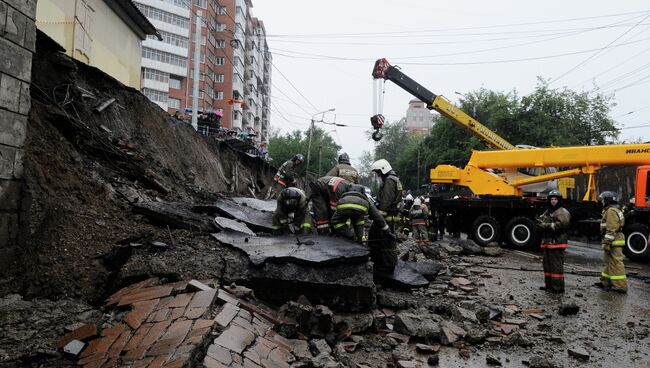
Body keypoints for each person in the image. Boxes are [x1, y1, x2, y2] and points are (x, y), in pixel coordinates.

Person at [536, 190, 571, 293]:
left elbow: (562, 225)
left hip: (557, 242)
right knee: (547, 265)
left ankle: (557, 288)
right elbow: (542, 221)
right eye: (551, 199)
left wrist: (545, 226)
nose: (553, 201)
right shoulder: (548, 211)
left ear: (559, 200)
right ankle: (549, 286)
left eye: (555, 199)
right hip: (548, 243)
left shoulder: (562, 212)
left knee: (556, 266)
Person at [595, 191, 628, 293]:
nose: (602, 202)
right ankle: (606, 282)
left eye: (603, 200)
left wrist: (607, 242)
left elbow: (612, 228)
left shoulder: (611, 211)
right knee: (608, 261)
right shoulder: (614, 210)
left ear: (607, 201)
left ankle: (620, 286)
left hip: (614, 240)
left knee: (616, 263)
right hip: (614, 239)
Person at [371, 159, 403, 233]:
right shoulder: (395, 179)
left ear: (384, 169)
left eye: (378, 171)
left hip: (388, 214)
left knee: (382, 235)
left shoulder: (389, 180)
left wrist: (380, 213)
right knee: (390, 235)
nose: (378, 174)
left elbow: (387, 198)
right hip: (393, 213)